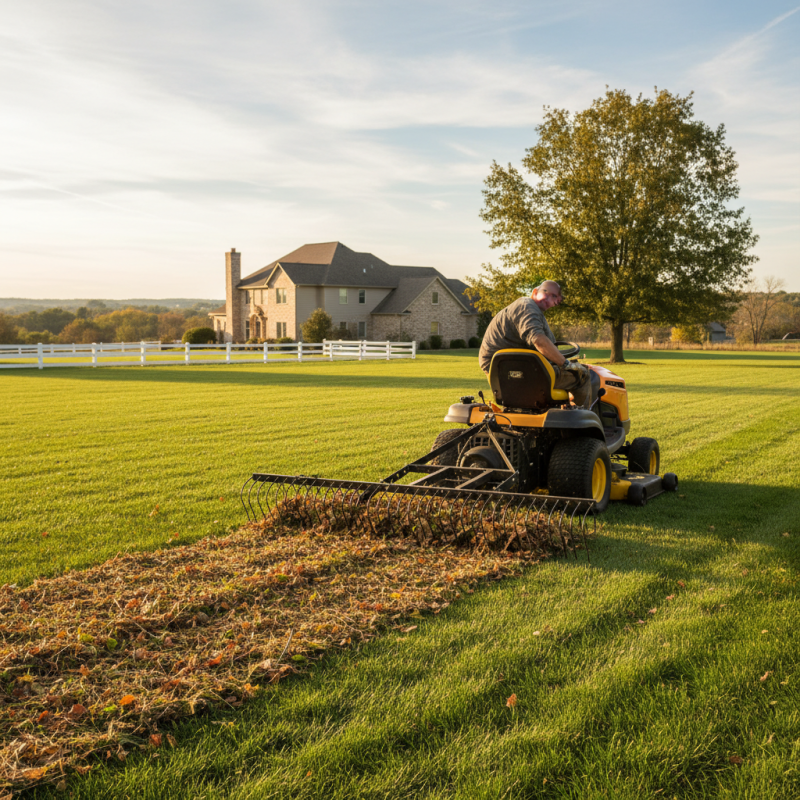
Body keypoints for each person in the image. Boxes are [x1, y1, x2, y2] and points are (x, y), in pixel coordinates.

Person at [478, 281, 599, 409]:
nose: (552, 301)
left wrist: (557, 357)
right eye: (549, 294)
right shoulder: (527, 306)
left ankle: (563, 411)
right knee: (584, 375)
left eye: (555, 299)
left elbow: (541, 344)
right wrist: (566, 364)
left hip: (512, 369)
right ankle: (584, 421)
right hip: (518, 370)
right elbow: (538, 339)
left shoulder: (529, 310)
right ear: (535, 292)